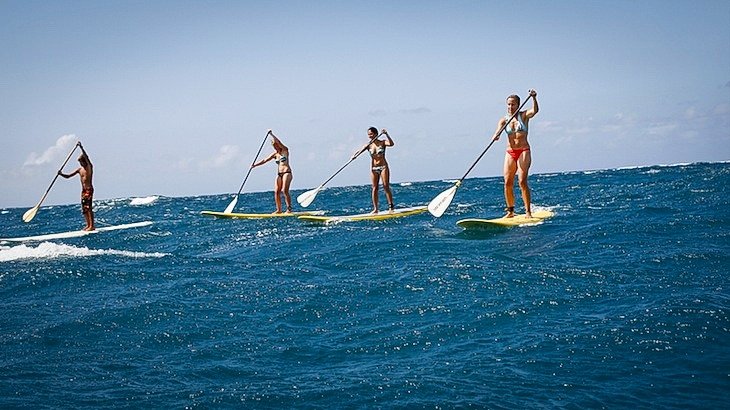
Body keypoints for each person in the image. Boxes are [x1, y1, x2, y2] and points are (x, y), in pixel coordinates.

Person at [491, 89, 539, 218]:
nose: (510, 107)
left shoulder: (523, 116)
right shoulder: (504, 120)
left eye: (513, 104)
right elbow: (497, 131)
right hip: (510, 152)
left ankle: (528, 211)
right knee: (507, 182)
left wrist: (534, 98)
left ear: (518, 105)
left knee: (522, 181)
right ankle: (510, 211)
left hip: (523, 150)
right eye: (508, 104)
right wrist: (496, 136)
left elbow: (534, 111)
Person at [353, 127, 394, 214]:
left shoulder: (382, 142)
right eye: (368, 134)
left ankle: (391, 207)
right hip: (374, 168)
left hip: (383, 167)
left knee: (386, 185)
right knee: (374, 188)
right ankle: (375, 209)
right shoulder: (369, 145)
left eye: (371, 134)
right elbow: (360, 151)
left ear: (375, 134)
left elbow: (391, 144)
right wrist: (354, 156)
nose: (369, 136)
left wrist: (386, 134)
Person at [252, 133, 293, 213]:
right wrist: (255, 165)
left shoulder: (285, 150)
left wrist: (271, 134)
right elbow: (265, 160)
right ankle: (279, 210)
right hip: (279, 174)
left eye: (276, 145)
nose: (275, 147)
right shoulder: (275, 155)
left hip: (287, 173)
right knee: (277, 192)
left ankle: (289, 209)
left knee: (285, 190)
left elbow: (279, 141)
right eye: (274, 146)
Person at [58, 142, 95, 230]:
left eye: (81, 162)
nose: (81, 164)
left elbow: (87, 157)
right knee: (84, 208)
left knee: (88, 207)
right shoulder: (79, 170)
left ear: (84, 161)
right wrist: (61, 174)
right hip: (83, 191)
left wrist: (81, 147)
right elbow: (68, 176)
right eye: (80, 163)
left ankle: (92, 226)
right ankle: (88, 224)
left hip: (89, 189)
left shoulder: (89, 167)